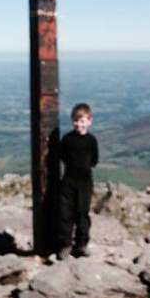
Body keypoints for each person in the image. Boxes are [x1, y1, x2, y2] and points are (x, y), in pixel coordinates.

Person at [57, 102, 99, 260]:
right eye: (76, 120)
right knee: (65, 213)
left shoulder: (92, 140)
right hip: (68, 180)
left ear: (89, 121)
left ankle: (81, 245)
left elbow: (94, 159)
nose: (78, 124)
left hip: (85, 182)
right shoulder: (66, 139)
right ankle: (65, 244)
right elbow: (62, 156)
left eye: (82, 121)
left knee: (82, 213)